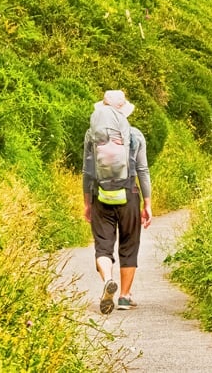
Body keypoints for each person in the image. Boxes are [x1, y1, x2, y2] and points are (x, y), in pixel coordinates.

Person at [83, 91, 153, 314]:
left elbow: (87, 172)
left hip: (100, 194)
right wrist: (147, 204)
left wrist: (87, 202)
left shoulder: (91, 135)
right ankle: (124, 296)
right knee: (129, 244)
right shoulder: (135, 136)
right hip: (129, 193)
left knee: (103, 245)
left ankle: (107, 281)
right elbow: (142, 170)